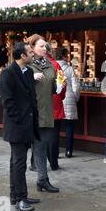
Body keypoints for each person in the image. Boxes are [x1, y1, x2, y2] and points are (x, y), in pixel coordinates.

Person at [0, 42, 41, 211]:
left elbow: (31, 97)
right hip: (17, 125)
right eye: (30, 52)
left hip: (28, 124)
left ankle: (15, 195)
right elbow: (7, 101)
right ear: (22, 56)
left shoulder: (29, 71)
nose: (33, 54)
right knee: (19, 163)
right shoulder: (8, 73)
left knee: (16, 162)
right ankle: (21, 199)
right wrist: (19, 119)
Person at [27, 34, 60, 193]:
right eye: (40, 46)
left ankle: (42, 179)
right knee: (38, 146)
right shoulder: (26, 65)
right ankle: (42, 179)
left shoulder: (49, 65)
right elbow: (15, 84)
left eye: (45, 46)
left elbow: (52, 87)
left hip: (46, 110)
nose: (44, 48)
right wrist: (30, 77)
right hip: (31, 112)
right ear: (32, 48)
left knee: (42, 146)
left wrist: (59, 85)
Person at [45, 43, 66, 171]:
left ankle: (39, 162)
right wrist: (60, 97)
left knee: (42, 134)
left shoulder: (34, 65)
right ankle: (53, 162)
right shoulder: (56, 65)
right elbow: (62, 85)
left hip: (41, 104)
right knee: (54, 135)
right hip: (55, 103)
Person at [56, 47, 80, 158]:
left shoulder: (53, 67)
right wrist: (76, 97)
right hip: (69, 98)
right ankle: (69, 151)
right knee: (69, 127)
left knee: (56, 127)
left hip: (57, 99)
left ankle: (55, 151)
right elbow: (75, 86)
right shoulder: (70, 69)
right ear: (65, 56)